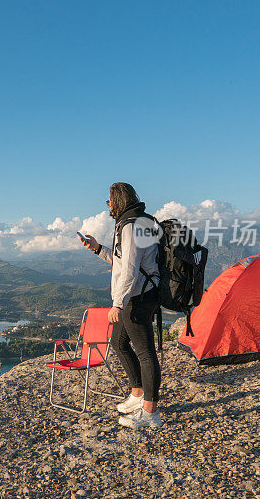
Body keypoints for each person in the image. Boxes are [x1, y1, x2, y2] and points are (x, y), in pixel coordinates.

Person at [79, 182, 163, 428]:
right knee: (118, 342)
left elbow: (129, 269)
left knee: (146, 353)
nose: (108, 206)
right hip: (137, 294)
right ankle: (138, 394)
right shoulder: (136, 222)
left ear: (118, 200)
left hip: (138, 297)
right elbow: (121, 260)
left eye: (109, 201)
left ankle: (150, 413)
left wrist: (118, 303)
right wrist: (98, 249)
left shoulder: (132, 226)